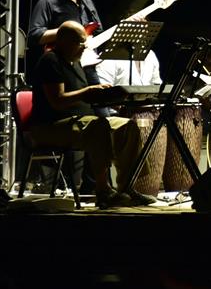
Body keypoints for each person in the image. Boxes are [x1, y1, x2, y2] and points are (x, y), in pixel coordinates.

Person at [28, 21, 157, 208]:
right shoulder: (51, 61)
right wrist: (88, 91)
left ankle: (126, 187)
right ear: (63, 41)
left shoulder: (75, 63)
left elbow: (87, 97)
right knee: (98, 126)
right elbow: (58, 100)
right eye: (80, 42)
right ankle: (103, 191)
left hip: (79, 121)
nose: (84, 47)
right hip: (50, 126)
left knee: (126, 125)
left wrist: (109, 95)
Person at [26, 0, 105, 192]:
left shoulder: (87, 3)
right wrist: (66, 31)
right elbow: (34, 35)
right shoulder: (49, 2)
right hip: (61, 69)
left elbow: (95, 34)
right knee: (81, 119)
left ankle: (96, 186)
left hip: (87, 65)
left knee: (102, 115)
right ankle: (81, 184)